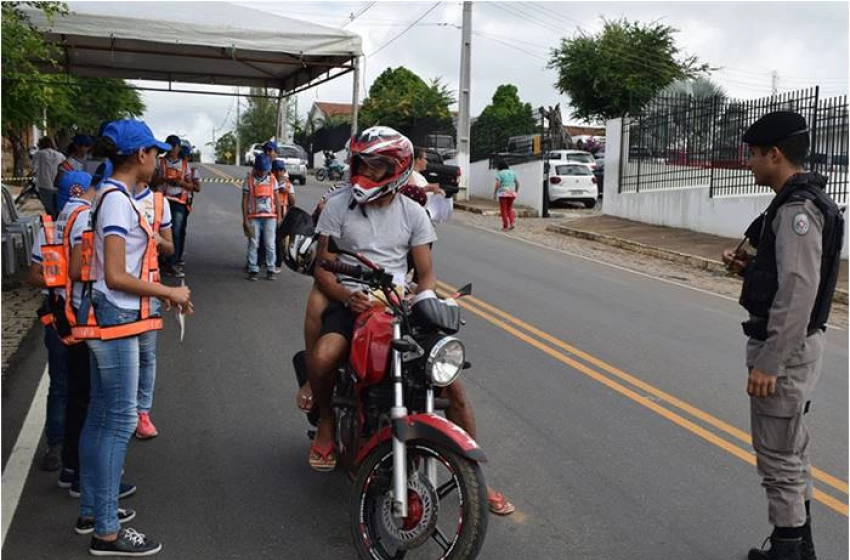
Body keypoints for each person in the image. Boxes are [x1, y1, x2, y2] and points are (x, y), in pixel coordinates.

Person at [307, 126, 515, 515]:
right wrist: (348, 296)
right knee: (322, 357)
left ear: (398, 170)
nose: (366, 173)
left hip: (395, 304)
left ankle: (477, 480)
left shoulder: (414, 214)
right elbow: (322, 269)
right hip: (351, 299)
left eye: (378, 165)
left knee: (450, 386)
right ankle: (326, 425)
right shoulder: (338, 206)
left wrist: (418, 297)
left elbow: (426, 274)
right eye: (363, 163)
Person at [722, 111, 843, 560]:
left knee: (778, 458)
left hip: (785, 351)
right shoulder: (800, 201)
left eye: (753, 155)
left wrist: (769, 362)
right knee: (791, 452)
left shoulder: (796, 209)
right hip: (795, 345)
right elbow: (789, 277)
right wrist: (752, 269)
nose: (749, 164)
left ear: (775, 154)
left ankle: (788, 551)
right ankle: (800, 547)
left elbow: (798, 294)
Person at [78, 119, 192, 556]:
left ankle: (94, 509)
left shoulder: (114, 196)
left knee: (102, 415)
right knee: (120, 421)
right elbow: (115, 274)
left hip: (114, 315)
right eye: (155, 153)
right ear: (140, 155)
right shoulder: (117, 202)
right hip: (117, 317)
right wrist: (169, 291)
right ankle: (106, 530)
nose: (160, 161)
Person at [132, 182, 174, 439]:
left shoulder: (160, 202)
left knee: (147, 357)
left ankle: (142, 414)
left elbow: (170, 246)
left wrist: (160, 240)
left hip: (149, 291)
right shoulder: (113, 198)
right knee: (126, 359)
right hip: (117, 294)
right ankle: (124, 415)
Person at [154, 135, 199, 278]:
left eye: (174, 146)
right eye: (170, 146)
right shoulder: (159, 163)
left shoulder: (186, 165)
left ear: (179, 147)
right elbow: (151, 181)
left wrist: (181, 183)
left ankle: (173, 262)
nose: (172, 149)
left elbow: (196, 187)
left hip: (179, 202)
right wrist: (164, 179)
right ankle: (160, 261)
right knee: (159, 231)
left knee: (177, 232)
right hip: (161, 200)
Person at [242, 154, 283, 281]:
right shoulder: (248, 180)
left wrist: (279, 217)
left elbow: (277, 200)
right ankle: (253, 268)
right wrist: (245, 220)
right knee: (253, 243)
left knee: (270, 244)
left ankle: (271, 269)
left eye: (264, 169)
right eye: (260, 169)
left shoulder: (272, 180)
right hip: (254, 217)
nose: (262, 172)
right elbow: (244, 201)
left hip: (270, 217)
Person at [31, 136, 66, 218]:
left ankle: (51, 225)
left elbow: (33, 167)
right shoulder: (60, 155)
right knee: (58, 209)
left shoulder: (38, 154)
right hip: (58, 186)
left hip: (44, 186)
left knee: (49, 209)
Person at [55, 134, 94, 208]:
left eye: (89, 145)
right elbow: (57, 183)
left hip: (89, 201)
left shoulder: (92, 161)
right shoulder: (67, 164)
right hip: (70, 201)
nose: (89, 148)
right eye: (86, 145)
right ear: (77, 146)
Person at [493, 160, 519, 231]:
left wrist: (495, 193)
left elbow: (498, 184)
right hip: (511, 193)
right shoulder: (512, 172)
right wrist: (516, 191)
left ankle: (505, 226)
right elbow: (517, 183)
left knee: (503, 210)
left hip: (503, 193)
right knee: (509, 209)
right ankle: (512, 223)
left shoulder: (500, 173)